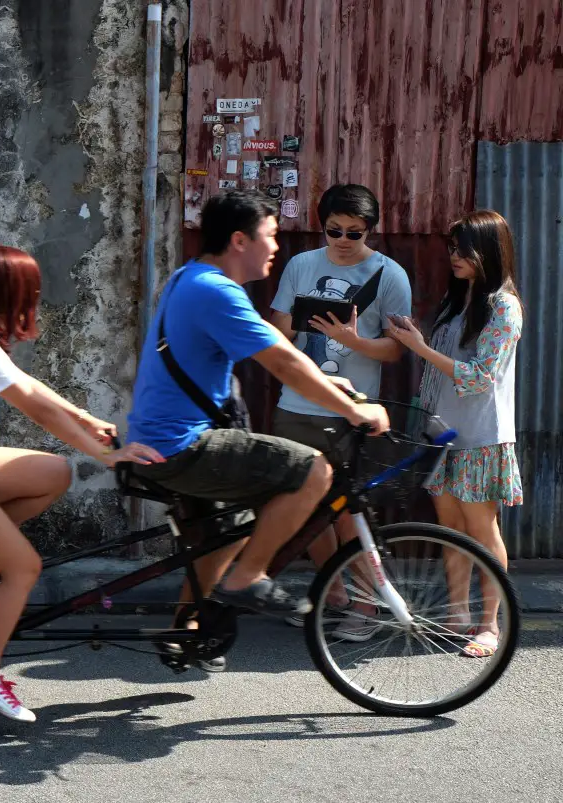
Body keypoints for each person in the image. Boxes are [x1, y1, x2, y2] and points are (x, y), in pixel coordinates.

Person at [0, 244, 163, 722]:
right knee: (23, 569)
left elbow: (32, 387)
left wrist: (85, 417)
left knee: (54, 472)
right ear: (13, 292)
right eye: (32, 290)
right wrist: (107, 454)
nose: (36, 298)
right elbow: (34, 406)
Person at [126, 190, 391, 670]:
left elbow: (275, 354)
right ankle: (248, 577)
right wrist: (355, 411)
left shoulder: (191, 278)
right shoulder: (216, 291)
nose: (275, 247)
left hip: (165, 437)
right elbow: (285, 361)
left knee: (224, 529)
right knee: (314, 471)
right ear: (238, 240)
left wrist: (332, 384)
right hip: (185, 442)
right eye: (269, 236)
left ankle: (186, 626)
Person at [269, 184, 413, 640]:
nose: (344, 239)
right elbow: (277, 327)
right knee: (304, 511)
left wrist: (354, 343)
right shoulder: (301, 265)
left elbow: (395, 350)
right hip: (294, 405)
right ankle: (333, 596)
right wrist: (294, 332)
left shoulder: (390, 275)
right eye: (334, 230)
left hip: (351, 411)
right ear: (322, 225)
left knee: (348, 511)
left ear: (371, 229)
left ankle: (367, 606)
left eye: (355, 231)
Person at [387, 210, 523, 659]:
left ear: (489, 251)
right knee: (449, 527)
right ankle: (458, 614)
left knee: (482, 530)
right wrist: (420, 340)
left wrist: (419, 348)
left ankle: (489, 625)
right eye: (452, 248)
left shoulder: (503, 306)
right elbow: (439, 369)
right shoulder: (457, 301)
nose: (455, 257)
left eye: (464, 249)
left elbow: (482, 376)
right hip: (442, 433)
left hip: (481, 436)